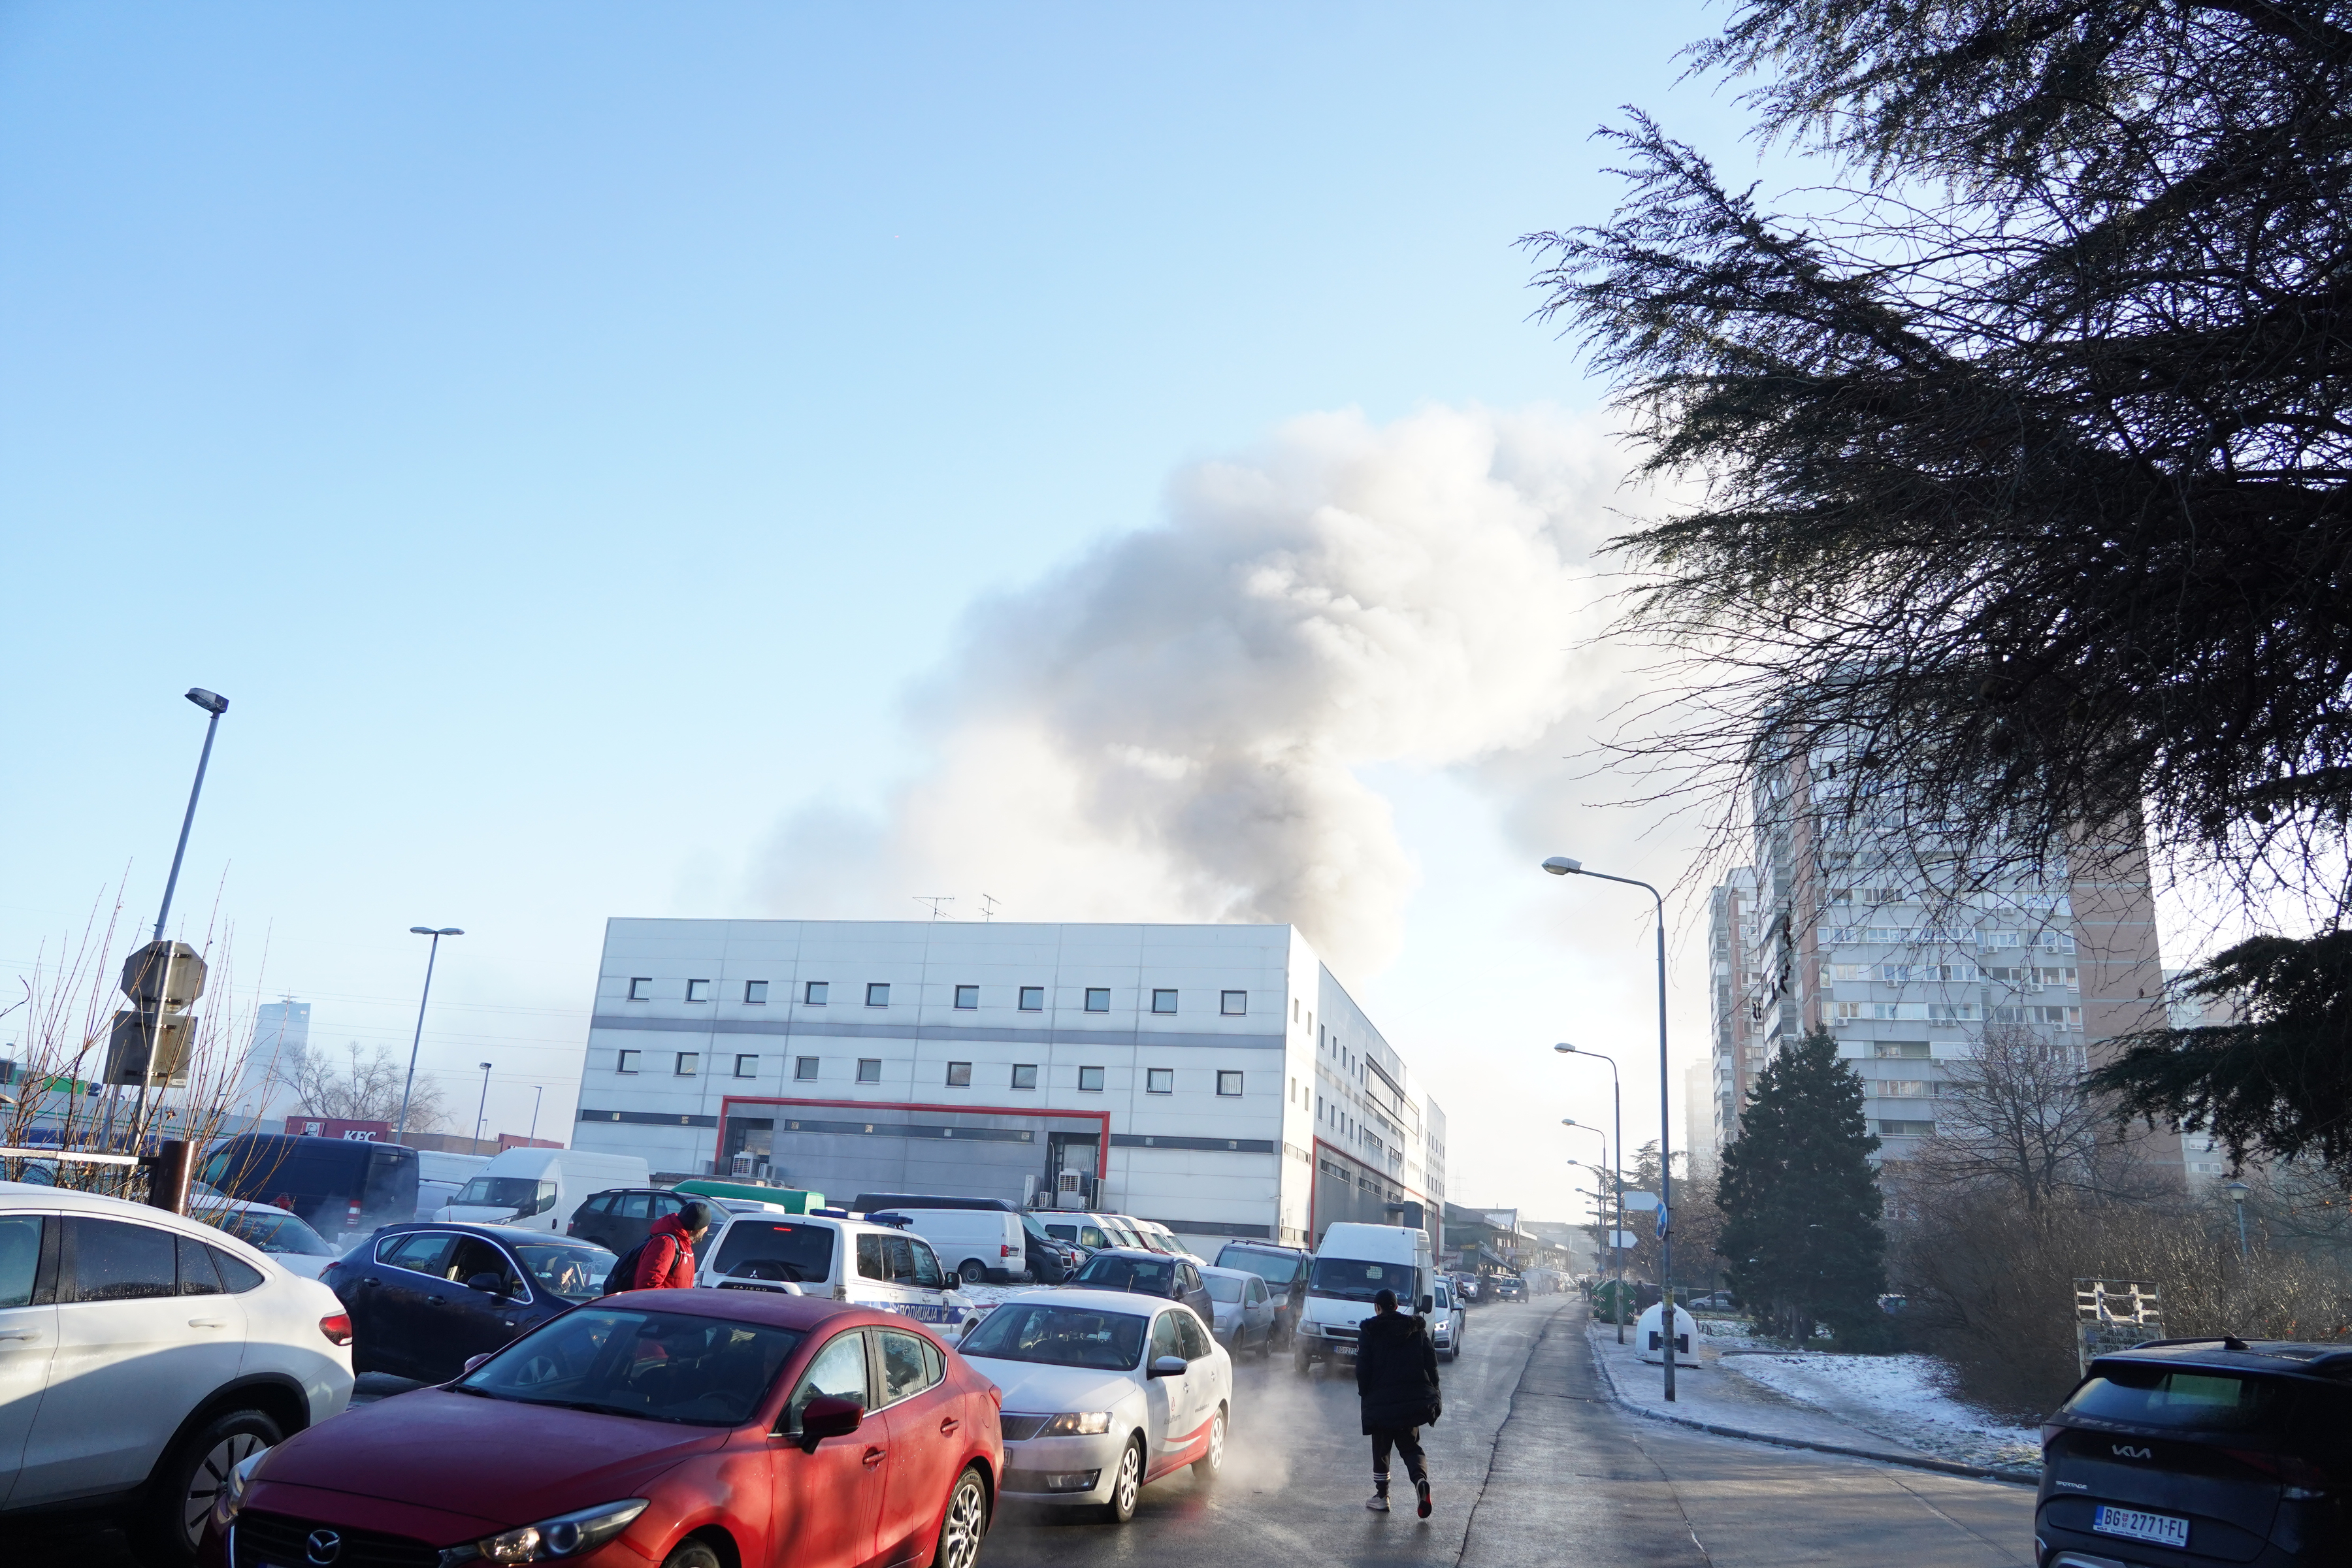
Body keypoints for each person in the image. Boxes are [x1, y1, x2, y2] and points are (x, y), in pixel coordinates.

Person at [1354, 1286, 1441, 1516]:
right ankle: (1420, 1482)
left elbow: (1362, 1369)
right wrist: (1435, 1392)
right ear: (1397, 1306)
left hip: (1381, 1404)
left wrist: (1366, 1394)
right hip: (1410, 1403)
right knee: (1411, 1447)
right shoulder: (1415, 1330)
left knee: (1382, 1449)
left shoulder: (1370, 1331)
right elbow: (1431, 1363)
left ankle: (1382, 1496)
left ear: (1377, 1307)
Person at [632, 1200, 713, 1290]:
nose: (706, 1230)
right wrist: (673, 1302)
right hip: (663, 1304)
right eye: (706, 1226)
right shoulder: (666, 1243)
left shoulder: (684, 1244)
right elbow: (648, 1286)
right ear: (697, 1227)